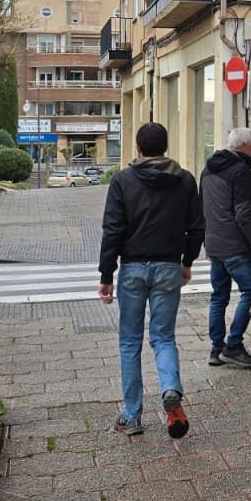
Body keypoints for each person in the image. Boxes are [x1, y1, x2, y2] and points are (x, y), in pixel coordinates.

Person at [97, 122, 203, 439]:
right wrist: (187, 262)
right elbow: (197, 227)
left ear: (138, 148)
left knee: (130, 341)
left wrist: (106, 274)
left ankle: (132, 416)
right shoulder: (184, 180)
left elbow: (112, 229)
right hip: (168, 266)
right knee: (163, 337)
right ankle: (170, 388)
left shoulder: (123, 180)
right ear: (165, 147)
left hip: (132, 268)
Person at [200, 127, 251, 368]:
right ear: (243, 146)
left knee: (219, 296)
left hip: (215, 243)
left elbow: (202, 209)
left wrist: (207, 241)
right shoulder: (241, 172)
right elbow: (244, 215)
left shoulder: (208, 169)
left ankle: (216, 349)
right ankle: (234, 345)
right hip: (235, 245)